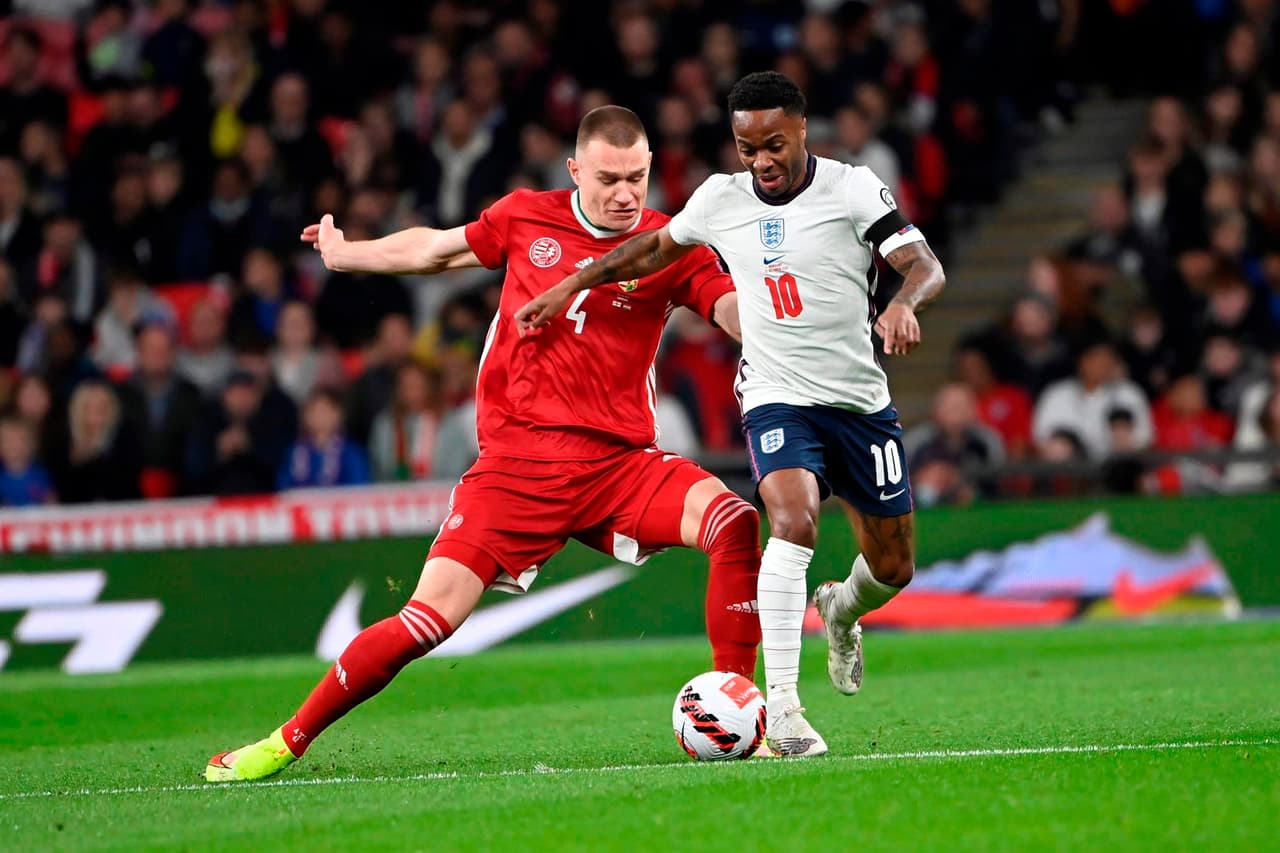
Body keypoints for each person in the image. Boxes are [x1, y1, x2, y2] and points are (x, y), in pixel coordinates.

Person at [205, 106, 762, 782]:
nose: (624, 193)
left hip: (620, 466)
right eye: (609, 178)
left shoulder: (670, 245)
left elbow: (726, 304)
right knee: (426, 620)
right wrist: (346, 253)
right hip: (517, 469)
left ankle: (739, 711)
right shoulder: (527, 216)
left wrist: (768, 326)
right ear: (575, 171)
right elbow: (437, 249)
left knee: (733, 520)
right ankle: (283, 740)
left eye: (637, 178)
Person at [518, 72, 946, 757]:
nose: (762, 161)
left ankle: (840, 609)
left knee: (893, 566)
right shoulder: (721, 198)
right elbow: (655, 248)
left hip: (859, 402)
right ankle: (784, 711)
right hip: (776, 392)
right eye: (748, 148)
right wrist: (575, 279)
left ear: (802, 130)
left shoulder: (853, 188)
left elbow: (924, 264)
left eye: (774, 144)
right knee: (792, 520)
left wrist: (903, 302)